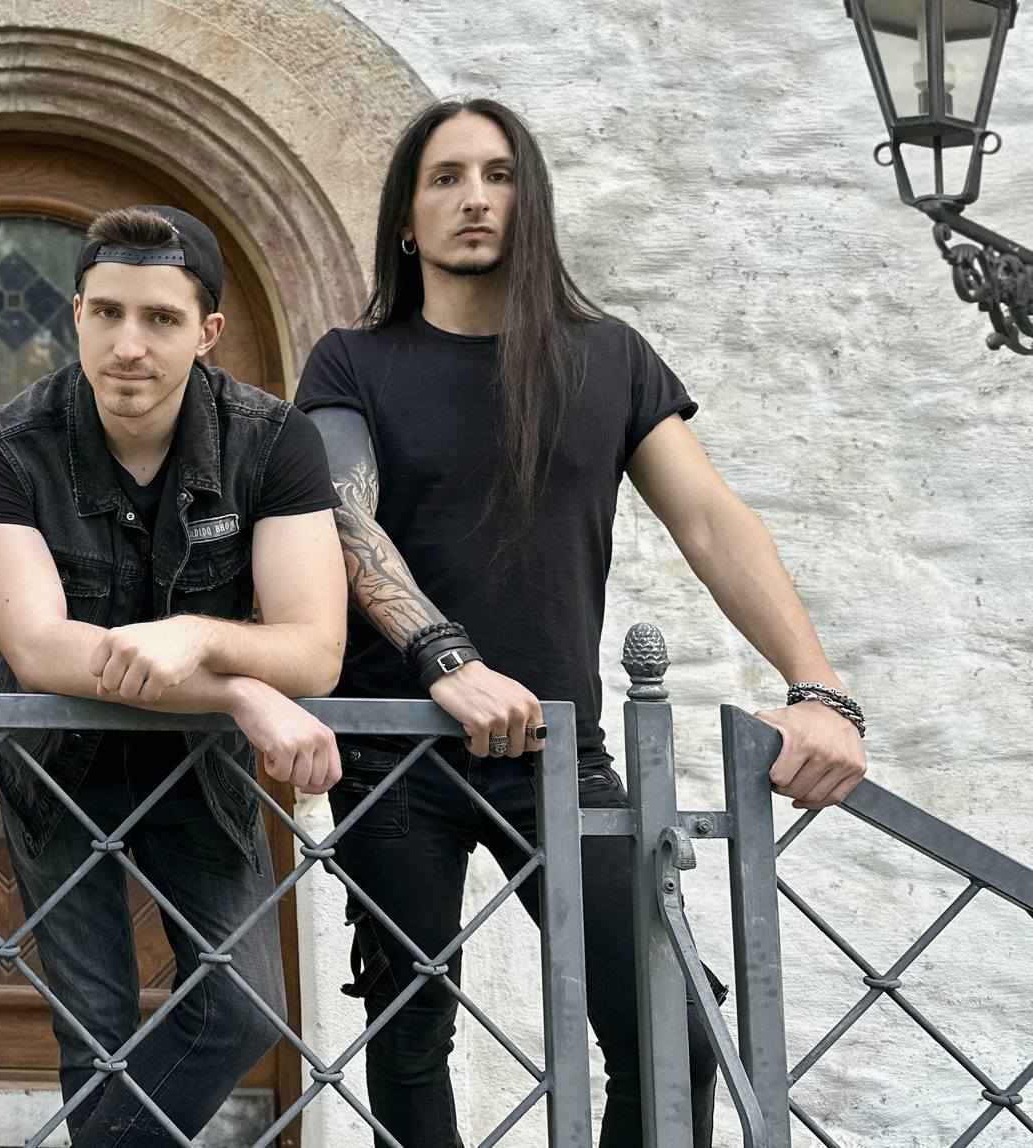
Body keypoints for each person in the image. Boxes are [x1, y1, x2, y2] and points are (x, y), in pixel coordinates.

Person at [296, 97, 870, 1148]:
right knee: (410, 1035)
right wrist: (444, 658)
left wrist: (818, 688)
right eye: (444, 178)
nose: (475, 196)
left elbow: (709, 520)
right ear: (405, 221)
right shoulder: (352, 361)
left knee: (673, 1035)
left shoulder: (609, 359)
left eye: (499, 174)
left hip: (557, 749)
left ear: (534, 203)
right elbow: (342, 517)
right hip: (392, 745)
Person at [0, 205, 347, 1146]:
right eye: (107, 313)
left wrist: (194, 637)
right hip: (57, 758)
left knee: (243, 1009)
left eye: (161, 319)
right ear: (76, 314)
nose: (128, 346)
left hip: (197, 762)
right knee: (94, 1033)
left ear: (207, 332)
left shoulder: (274, 440)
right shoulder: (3, 446)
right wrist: (239, 686)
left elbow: (316, 650)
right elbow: (39, 649)